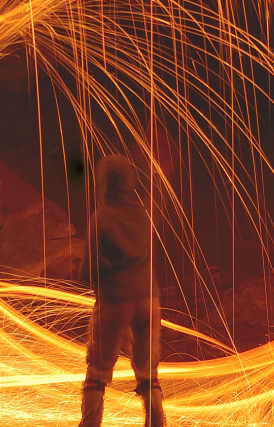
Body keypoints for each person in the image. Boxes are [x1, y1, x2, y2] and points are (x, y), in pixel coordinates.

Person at [79, 155, 164, 427]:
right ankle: (157, 422)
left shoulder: (101, 218)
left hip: (115, 301)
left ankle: (90, 424)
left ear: (103, 184)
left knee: (98, 372)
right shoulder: (143, 214)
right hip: (149, 300)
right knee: (148, 371)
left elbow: (87, 271)